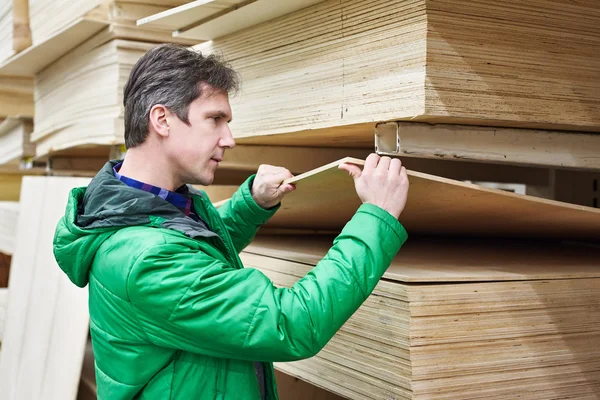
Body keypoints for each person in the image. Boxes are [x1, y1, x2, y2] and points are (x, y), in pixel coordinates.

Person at [53, 44, 409, 400]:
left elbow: (194, 250)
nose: (230, 139)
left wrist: (251, 203)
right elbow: (289, 323)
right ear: (161, 120)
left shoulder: (142, 206)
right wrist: (376, 217)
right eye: (215, 119)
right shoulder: (146, 260)